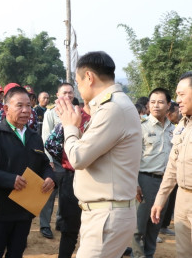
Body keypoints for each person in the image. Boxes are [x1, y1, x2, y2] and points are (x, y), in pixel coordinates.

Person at [56, 51, 141, 257]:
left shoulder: (112, 109)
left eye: (78, 82)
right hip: (104, 213)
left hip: (107, 215)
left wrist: (70, 126)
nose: (78, 88)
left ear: (89, 78)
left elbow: (78, 158)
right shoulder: (113, 105)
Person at [0, 86, 55, 258]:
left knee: (16, 253)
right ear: (6, 109)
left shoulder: (34, 137)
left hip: (25, 209)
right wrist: (10, 180)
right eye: (19, 106)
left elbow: (44, 164)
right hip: (0, 210)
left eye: (28, 105)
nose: (26, 110)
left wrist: (49, 177)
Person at [151, 71, 192, 257]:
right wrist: (160, 199)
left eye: (182, 94)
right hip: (182, 199)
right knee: (184, 252)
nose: (177, 100)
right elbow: (172, 167)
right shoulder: (182, 125)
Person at [131, 88, 174, 258]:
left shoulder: (174, 129)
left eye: (161, 102)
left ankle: (148, 255)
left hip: (165, 183)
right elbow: (132, 158)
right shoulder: (140, 127)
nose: (156, 105)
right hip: (145, 180)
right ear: (148, 105)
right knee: (138, 228)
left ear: (169, 105)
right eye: (153, 102)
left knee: (154, 226)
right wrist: (135, 183)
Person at [44, 101, 90, 258]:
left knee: (92, 229)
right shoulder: (73, 118)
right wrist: (65, 161)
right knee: (70, 228)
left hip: (96, 181)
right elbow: (50, 144)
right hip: (71, 178)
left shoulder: (104, 119)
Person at [40, 83, 74, 239]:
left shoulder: (77, 112)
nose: (67, 96)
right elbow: (46, 138)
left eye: (70, 93)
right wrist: (48, 160)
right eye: (64, 93)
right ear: (57, 95)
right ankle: (45, 225)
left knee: (66, 193)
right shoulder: (50, 114)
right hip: (55, 160)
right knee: (49, 193)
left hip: (72, 160)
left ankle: (61, 222)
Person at [159, 101, 180, 236]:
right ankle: (152, 232)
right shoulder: (153, 128)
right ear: (169, 113)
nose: (179, 114)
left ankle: (164, 225)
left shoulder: (176, 128)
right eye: (177, 112)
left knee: (171, 200)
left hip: (174, 171)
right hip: (159, 172)